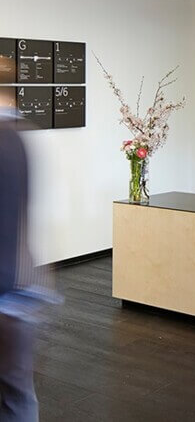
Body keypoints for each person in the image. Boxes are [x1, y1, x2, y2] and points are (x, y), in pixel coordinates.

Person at [0, 96, 58, 422]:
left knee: (17, 394)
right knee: (18, 393)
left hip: (7, 291)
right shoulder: (18, 135)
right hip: (19, 286)